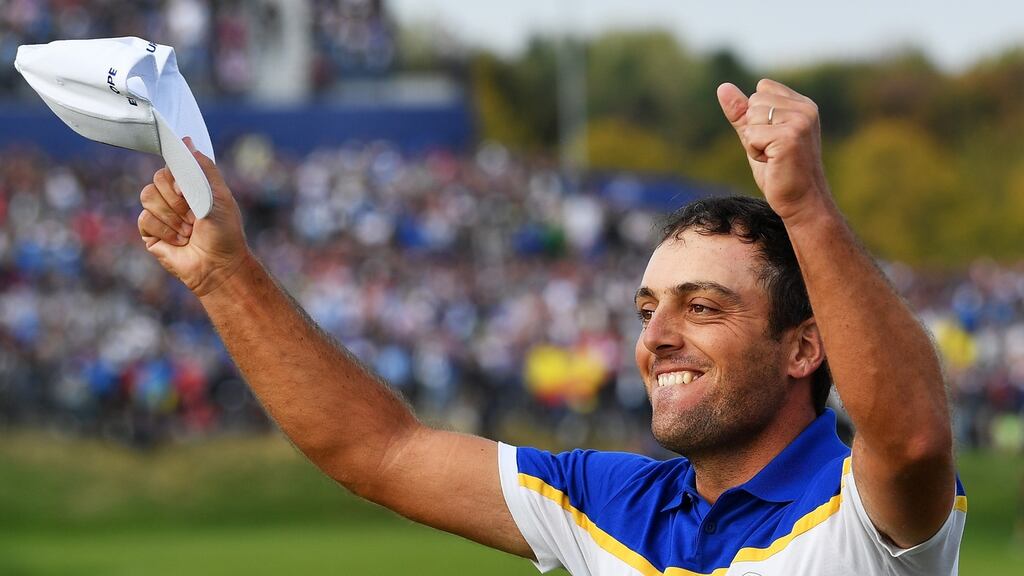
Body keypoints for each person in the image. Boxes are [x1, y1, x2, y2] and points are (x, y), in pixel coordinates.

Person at [135, 79, 966, 575]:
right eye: (649, 309)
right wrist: (223, 274)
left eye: (703, 306)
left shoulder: (865, 507)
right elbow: (380, 450)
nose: (657, 337)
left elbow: (916, 439)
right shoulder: (607, 502)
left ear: (802, 348)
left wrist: (806, 208)